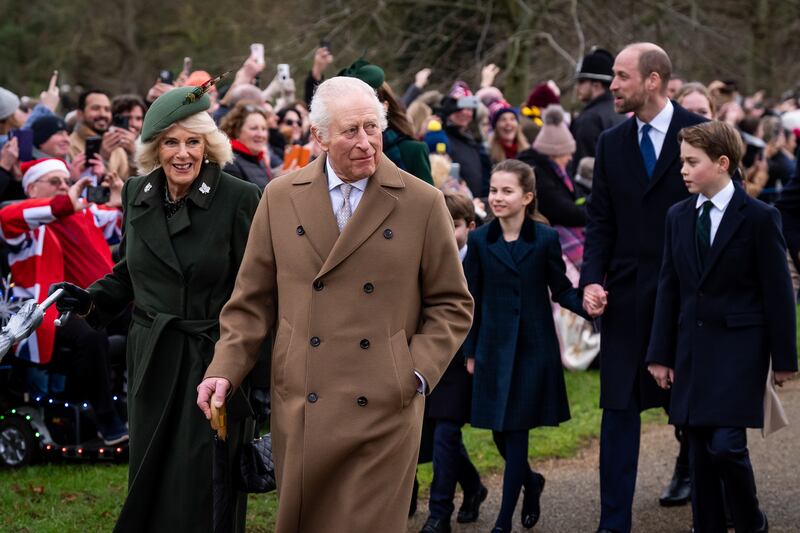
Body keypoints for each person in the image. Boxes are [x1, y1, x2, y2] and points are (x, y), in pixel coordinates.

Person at [196, 76, 474, 533]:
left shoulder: (422, 202)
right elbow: (251, 302)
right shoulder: (280, 198)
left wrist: (413, 372)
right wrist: (223, 369)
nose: (365, 143)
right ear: (319, 136)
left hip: (385, 406)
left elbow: (451, 303)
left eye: (372, 127)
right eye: (350, 131)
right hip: (304, 403)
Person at [52, 85, 261, 533]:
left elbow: (258, 291)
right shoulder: (136, 192)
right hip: (150, 359)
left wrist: (254, 374)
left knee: (202, 487)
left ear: (209, 145)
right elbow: (130, 271)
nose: (182, 153)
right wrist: (90, 299)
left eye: (193, 141)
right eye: (171, 141)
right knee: (150, 477)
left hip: (213, 362)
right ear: (154, 147)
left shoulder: (239, 198)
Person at [579, 42, 706, 533]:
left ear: (653, 80)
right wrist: (591, 278)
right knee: (617, 415)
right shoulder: (611, 143)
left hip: (686, 301)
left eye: (620, 76)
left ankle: (720, 511)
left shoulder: (697, 134)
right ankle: (613, 524)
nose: (611, 85)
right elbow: (599, 223)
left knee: (698, 419)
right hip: (627, 302)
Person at [646, 121, 797, 532]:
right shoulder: (677, 216)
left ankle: (751, 522)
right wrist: (659, 354)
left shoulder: (760, 218)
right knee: (698, 452)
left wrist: (784, 358)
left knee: (726, 446)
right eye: (682, 162)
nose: (683, 170)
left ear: (723, 163)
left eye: (692, 162)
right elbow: (669, 287)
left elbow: (778, 293)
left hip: (740, 349)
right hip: (691, 349)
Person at [464, 159, 590, 533]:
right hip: (492, 347)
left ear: (527, 197)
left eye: (507, 191)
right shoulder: (480, 240)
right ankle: (531, 482)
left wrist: (588, 305)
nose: (497, 198)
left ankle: (504, 520)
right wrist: (470, 350)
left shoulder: (545, 240)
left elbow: (562, 288)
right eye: (493, 190)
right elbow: (471, 298)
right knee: (498, 430)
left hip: (534, 348)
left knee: (516, 431)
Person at [0, 157, 127, 443]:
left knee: (144, 319)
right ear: (31, 188)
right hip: (41, 311)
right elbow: (10, 217)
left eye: (66, 181)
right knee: (92, 336)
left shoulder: (79, 214)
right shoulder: (22, 219)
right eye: (54, 182)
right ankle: (106, 421)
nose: (63, 187)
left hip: (85, 302)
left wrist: (120, 198)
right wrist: (64, 203)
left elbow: (116, 223)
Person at [420, 192, 486, 533]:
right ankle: (473, 487)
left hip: (464, 358)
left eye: (455, 225)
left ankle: (438, 512)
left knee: (446, 431)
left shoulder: (478, 259)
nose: (447, 230)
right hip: (434, 355)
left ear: (470, 227)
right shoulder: (425, 255)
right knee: (438, 434)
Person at [517, 105, 587, 229]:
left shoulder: (555, 170)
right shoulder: (537, 175)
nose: (570, 158)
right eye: (567, 153)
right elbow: (562, 210)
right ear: (553, 154)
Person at [569, 48, 624, 176]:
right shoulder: (619, 112)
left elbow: (581, 167)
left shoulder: (589, 119)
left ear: (596, 85)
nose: (577, 87)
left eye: (582, 82)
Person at [68, 89, 130, 179]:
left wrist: (133, 155)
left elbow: (126, 186)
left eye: (107, 109)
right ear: (80, 114)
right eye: (95, 108)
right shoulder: (69, 145)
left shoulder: (117, 147)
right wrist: (102, 159)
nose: (103, 114)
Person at [220, 101, 272, 188]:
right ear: (237, 131)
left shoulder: (259, 158)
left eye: (264, 129)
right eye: (254, 128)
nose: (261, 134)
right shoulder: (230, 162)